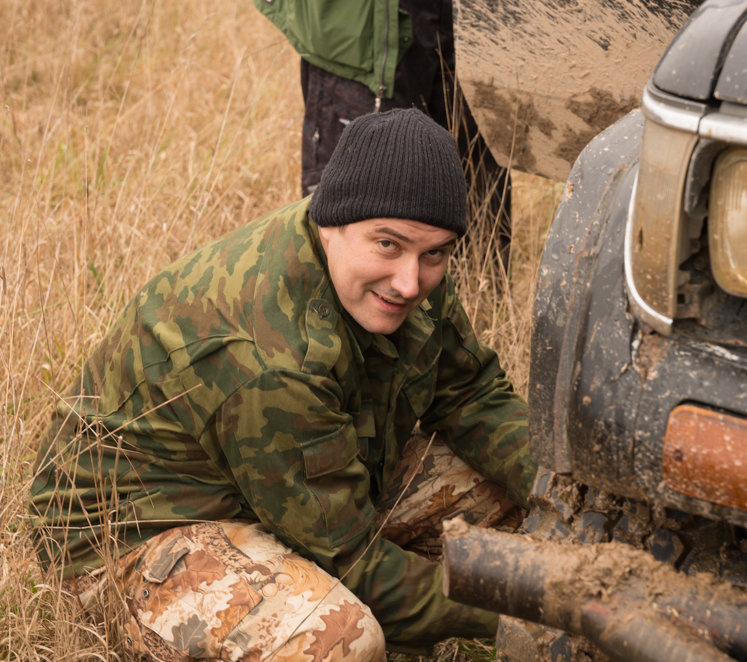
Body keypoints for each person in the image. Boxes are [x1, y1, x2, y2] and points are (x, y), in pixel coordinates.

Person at [30, 109, 536, 661]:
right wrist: (544, 606)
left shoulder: (397, 263)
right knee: (338, 640)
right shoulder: (271, 357)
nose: (411, 282)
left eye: (435, 253)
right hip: (140, 538)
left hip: (285, 483)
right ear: (330, 223)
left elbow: (471, 394)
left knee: (512, 488)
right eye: (388, 245)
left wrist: (561, 489)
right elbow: (354, 562)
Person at [252, 0, 512, 270]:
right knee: (348, 226)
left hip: (479, 14)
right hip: (358, 26)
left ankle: (471, 295)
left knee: (476, 183)